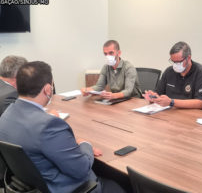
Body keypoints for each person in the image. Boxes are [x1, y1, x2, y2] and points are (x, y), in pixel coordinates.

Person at [0, 61, 124, 193]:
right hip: (69, 188)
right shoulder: (49, 126)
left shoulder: (7, 114)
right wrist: (84, 144)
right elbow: (81, 170)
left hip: (33, 185)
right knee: (121, 183)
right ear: (48, 89)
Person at [144, 41, 202, 110]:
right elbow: (158, 93)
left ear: (188, 58)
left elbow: (200, 103)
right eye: (173, 61)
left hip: (193, 114)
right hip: (171, 112)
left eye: (179, 62)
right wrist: (153, 97)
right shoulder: (169, 71)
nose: (175, 65)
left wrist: (171, 102)